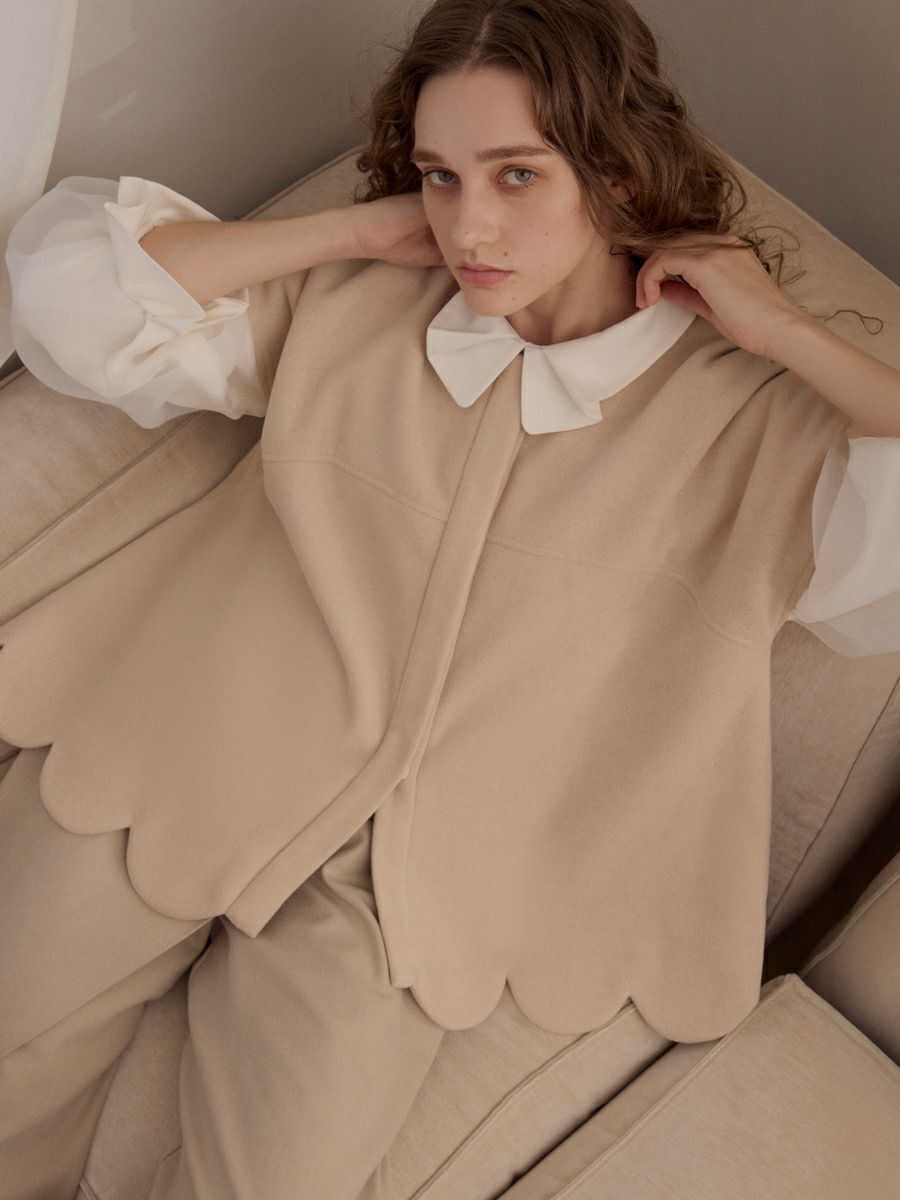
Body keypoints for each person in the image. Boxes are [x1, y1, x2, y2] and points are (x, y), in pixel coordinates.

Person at [2, 1, 899, 1197]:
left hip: (428, 895)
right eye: (440, 174)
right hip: (179, 751)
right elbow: (76, 297)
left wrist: (781, 331)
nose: (470, 225)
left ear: (618, 170)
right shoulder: (355, 302)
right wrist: (358, 228)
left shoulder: (757, 423)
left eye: (517, 174)